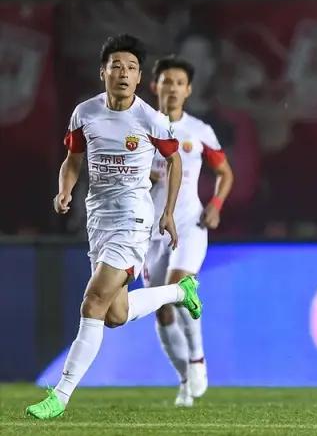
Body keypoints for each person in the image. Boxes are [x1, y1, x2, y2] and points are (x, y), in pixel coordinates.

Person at [26, 34, 202, 420]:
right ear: (103, 72)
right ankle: (180, 291)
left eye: (131, 68)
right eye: (117, 66)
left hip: (133, 219)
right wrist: (64, 190)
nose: (123, 73)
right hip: (98, 220)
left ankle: (60, 396)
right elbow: (73, 158)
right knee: (115, 314)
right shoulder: (84, 113)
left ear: (139, 78)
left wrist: (168, 212)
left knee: (92, 302)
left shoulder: (150, 119)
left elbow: (174, 162)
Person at [145, 55, 234, 407]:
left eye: (179, 83)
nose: (172, 88)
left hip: (189, 223)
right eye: (166, 81)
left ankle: (197, 358)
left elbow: (225, 173)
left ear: (189, 90)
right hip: (149, 229)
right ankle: (185, 378)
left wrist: (216, 205)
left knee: (177, 286)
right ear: (155, 86)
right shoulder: (139, 128)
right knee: (162, 309)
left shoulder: (199, 131)